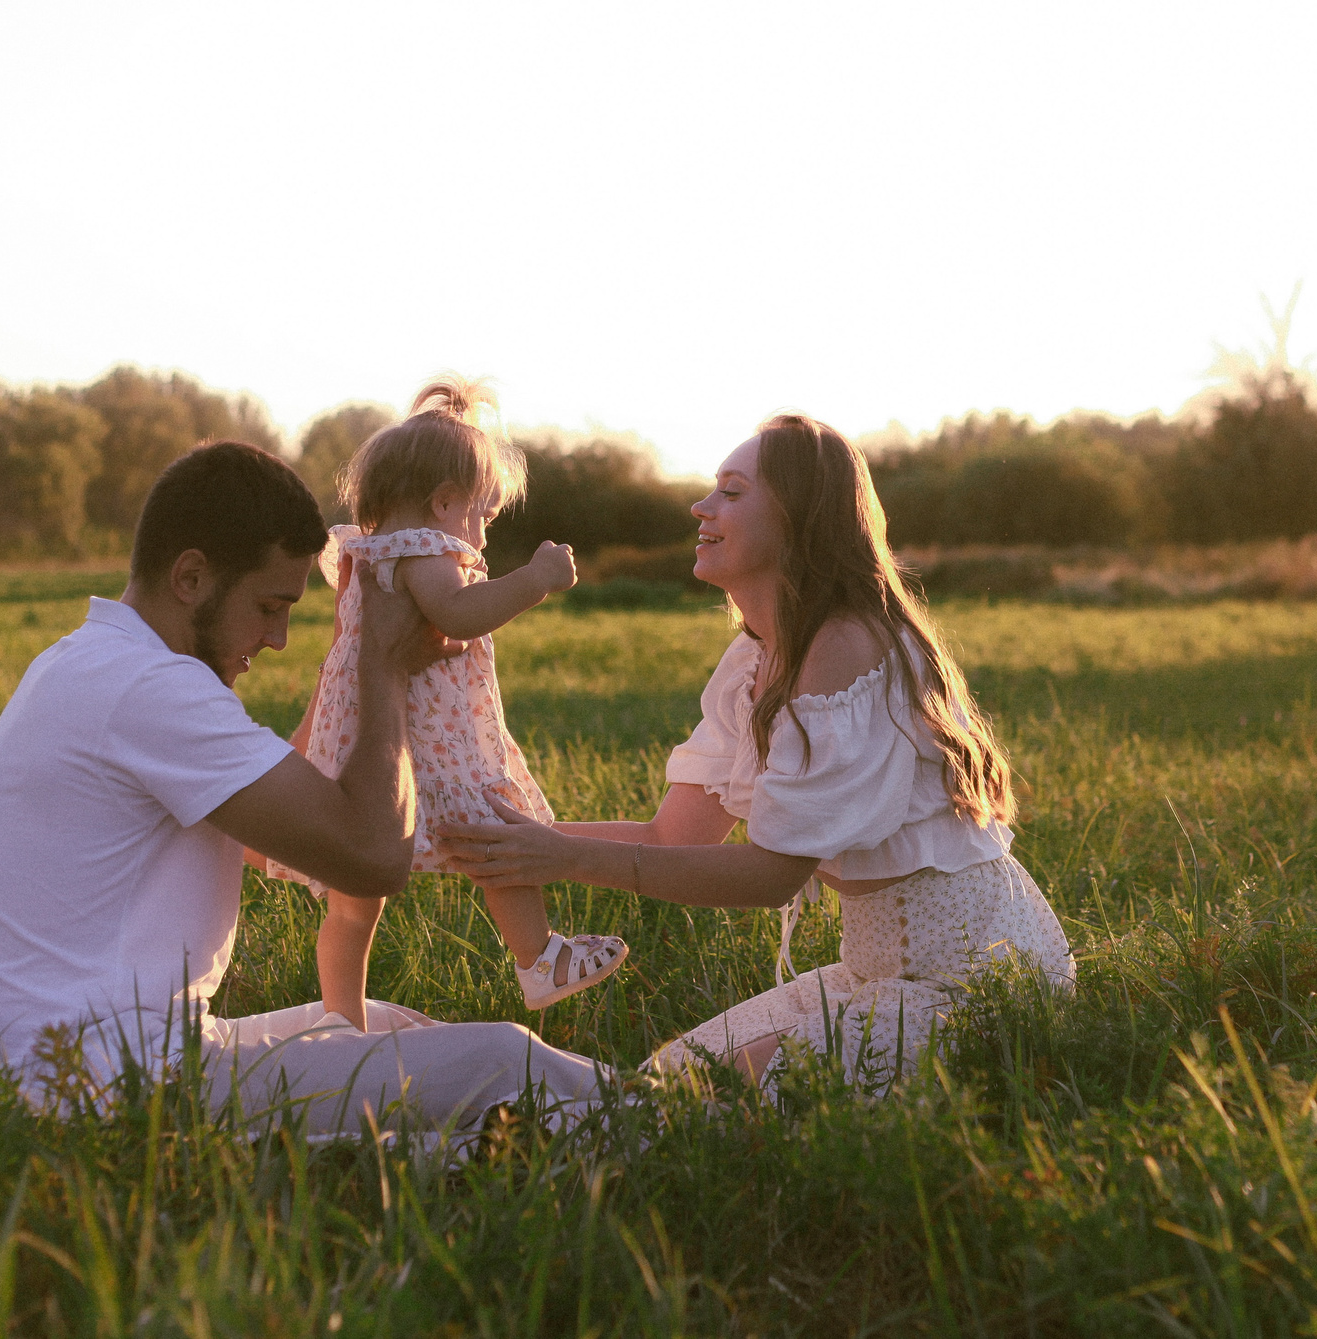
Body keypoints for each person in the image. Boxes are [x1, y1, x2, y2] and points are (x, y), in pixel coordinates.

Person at [0, 441, 610, 1140]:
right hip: (112, 1078)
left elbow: (293, 800)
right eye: (270, 606)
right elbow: (372, 856)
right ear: (192, 577)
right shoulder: (151, 691)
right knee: (506, 1057)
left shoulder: (93, 660)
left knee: (380, 1018)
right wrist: (381, 672)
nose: (279, 638)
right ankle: (687, 1109)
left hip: (109, 1041)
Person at [439, 414, 1074, 1089]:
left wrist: (563, 856)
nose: (701, 506)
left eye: (733, 492)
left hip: (977, 979)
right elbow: (671, 836)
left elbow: (773, 875)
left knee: (703, 1099)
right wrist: (510, 843)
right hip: (874, 970)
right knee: (665, 1080)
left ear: (798, 518)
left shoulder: (845, 647)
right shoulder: (754, 658)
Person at [267, 376, 626, 1026]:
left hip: (368, 742)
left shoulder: (372, 553)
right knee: (495, 834)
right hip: (432, 741)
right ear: (443, 503)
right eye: (482, 516)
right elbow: (458, 615)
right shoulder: (426, 550)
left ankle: (339, 1018)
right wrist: (535, 580)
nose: (482, 537)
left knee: (354, 900)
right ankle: (537, 956)